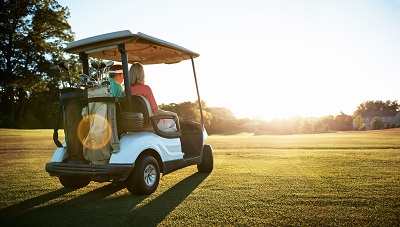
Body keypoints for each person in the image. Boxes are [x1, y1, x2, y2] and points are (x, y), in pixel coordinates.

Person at [129, 62, 178, 131]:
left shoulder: (126, 91)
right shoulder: (146, 89)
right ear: (142, 75)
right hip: (150, 125)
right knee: (173, 121)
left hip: (135, 126)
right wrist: (171, 113)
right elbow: (155, 111)